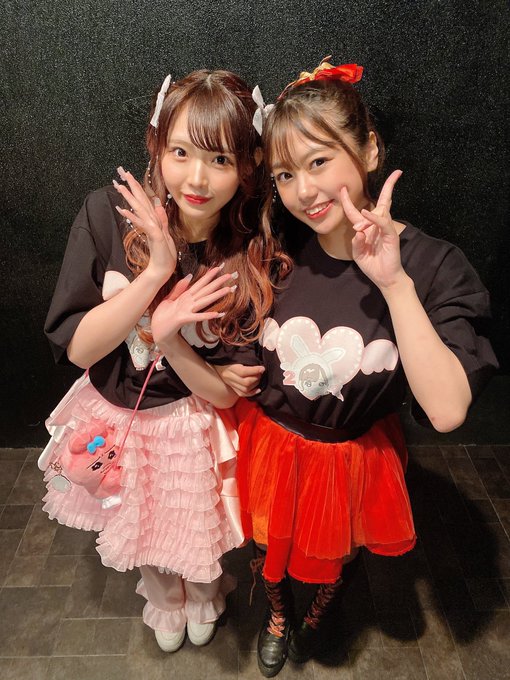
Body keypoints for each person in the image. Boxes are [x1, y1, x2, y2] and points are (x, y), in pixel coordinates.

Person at [217, 57, 499, 677]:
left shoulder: (433, 266)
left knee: (333, 552)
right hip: (270, 444)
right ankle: (278, 613)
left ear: (369, 149)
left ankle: (318, 608)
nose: (303, 191)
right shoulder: (278, 248)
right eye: (285, 174)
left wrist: (394, 284)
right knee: (267, 541)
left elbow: (447, 411)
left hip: (349, 458)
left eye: (319, 162)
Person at [39, 69, 288, 653]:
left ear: (248, 167)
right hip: (114, 413)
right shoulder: (106, 214)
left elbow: (224, 393)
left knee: (194, 525)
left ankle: (203, 596)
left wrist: (171, 339)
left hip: (186, 419)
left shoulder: (246, 251)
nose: (196, 178)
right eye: (180, 152)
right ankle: (165, 601)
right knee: (137, 521)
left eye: (220, 160)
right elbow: (81, 348)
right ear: (156, 146)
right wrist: (155, 272)